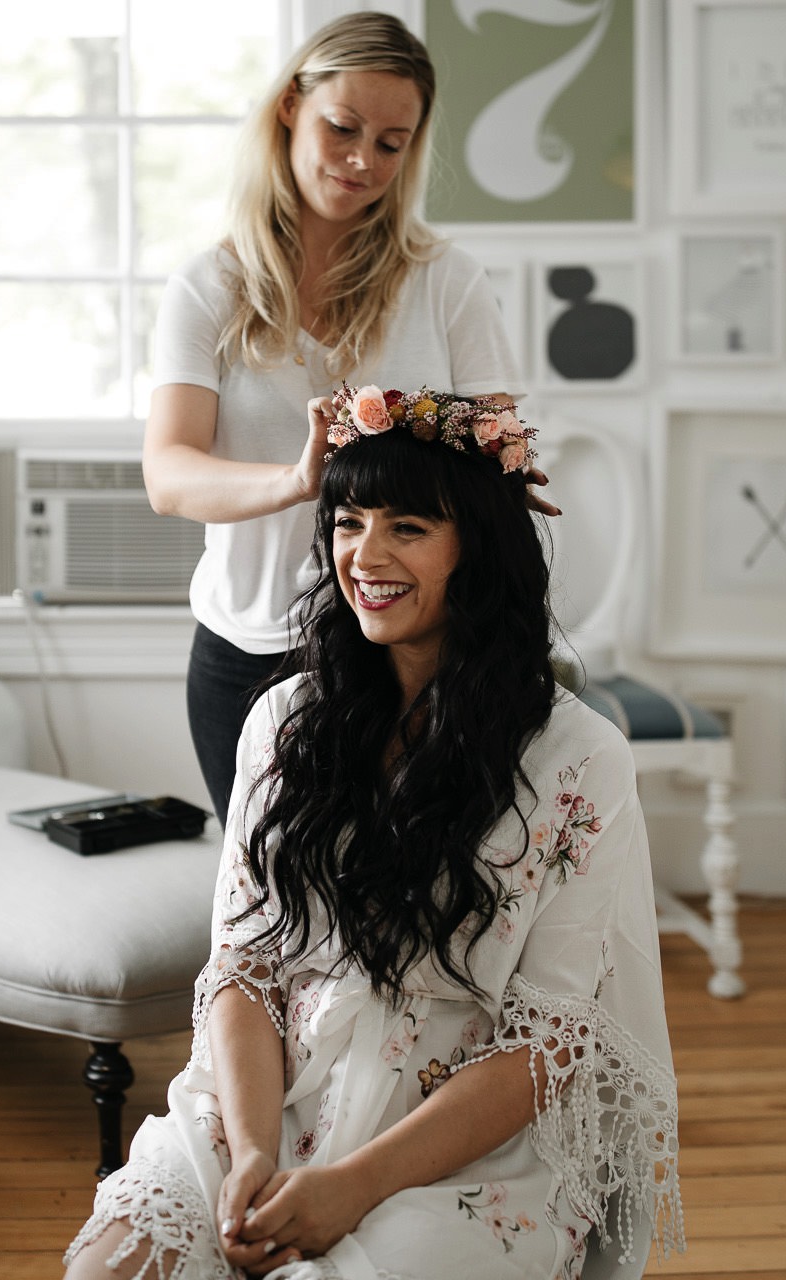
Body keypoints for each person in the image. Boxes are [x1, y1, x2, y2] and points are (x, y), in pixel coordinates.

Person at [63, 390, 682, 1280]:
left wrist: (351, 1186)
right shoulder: (284, 720)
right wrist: (250, 1156)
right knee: (111, 1267)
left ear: (481, 546)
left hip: (455, 1139)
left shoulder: (579, 758)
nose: (366, 554)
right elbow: (243, 967)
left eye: (409, 527)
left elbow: (549, 1045)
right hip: (268, 1094)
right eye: (348, 521)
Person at [142, 12, 532, 820]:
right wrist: (296, 479)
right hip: (249, 653)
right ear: (291, 106)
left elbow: (500, 450)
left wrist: (506, 475)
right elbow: (169, 476)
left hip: (415, 655)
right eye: (343, 128)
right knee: (271, 908)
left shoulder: (447, 282)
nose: (363, 161)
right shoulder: (208, 288)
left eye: (392, 143)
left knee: (409, 902)